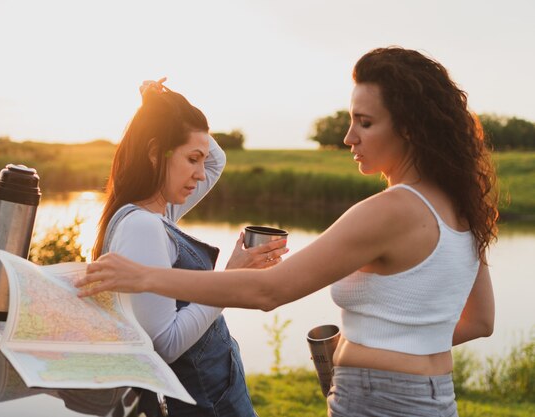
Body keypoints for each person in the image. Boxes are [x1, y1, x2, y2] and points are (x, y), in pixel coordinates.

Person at [78, 47, 498, 416]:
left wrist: (144, 277)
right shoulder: (461, 205)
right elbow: (480, 321)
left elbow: (270, 291)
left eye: (365, 123)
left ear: (409, 128)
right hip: (436, 396)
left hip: (378, 400)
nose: (348, 136)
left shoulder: (390, 210)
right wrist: (385, 347)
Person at [92, 78, 287, 417]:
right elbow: (165, 344)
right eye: (191, 159)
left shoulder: (159, 211)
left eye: (200, 159)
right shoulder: (143, 226)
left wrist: (157, 106)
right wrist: (230, 276)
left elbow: (217, 160)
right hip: (204, 405)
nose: (201, 173)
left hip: (215, 395)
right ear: (155, 154)